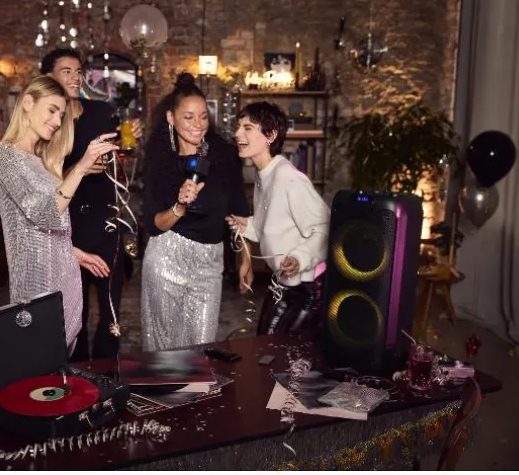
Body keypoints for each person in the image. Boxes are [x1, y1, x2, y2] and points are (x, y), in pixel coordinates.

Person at [0, 75, 119, 350]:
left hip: (62, 276)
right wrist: (81, 167)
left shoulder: (41, 160)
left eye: (61, 115)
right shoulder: (5, 156)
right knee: (37, 362)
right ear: (27, 103)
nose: (57, 121)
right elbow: (45, 214)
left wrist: (75, 253)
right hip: (35, 285)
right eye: (52, 110)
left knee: (59, 363)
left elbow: (43, 229)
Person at [41, 48, 144, 361]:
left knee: (111, 307)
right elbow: (43, 186)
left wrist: (129, 144)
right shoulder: (47, 125)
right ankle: (79, 372)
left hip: (105, 221)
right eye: (66, 71)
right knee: (76, 308)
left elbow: (120, 160)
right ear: (48, 77)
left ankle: (105, 369)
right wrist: (79, 169)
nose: (75, 77)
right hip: (68, 227)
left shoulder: (101, 112)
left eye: (78, 71)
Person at [140, 73, 251, 351]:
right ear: (171, 118)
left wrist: (246, 259)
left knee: (200, 349)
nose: (198, 124)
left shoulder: (224, 157)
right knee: (165, 354)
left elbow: (239, 211)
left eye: (203, 117)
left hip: (209, 264)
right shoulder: (159, 163)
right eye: (188, 117)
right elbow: (154, 224)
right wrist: (179, 206)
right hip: (167, 260)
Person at [226, 101, 330, 335]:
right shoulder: (264, 174)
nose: (237, 134)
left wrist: (299, 258)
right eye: (238, 127)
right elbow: (271, 226)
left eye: (247, 128)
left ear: (270, 135)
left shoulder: (289, 178)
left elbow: (325, 227)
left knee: (276, 350)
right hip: (282, 282)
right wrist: (246, 225)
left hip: (308, 289)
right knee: (264, 344)